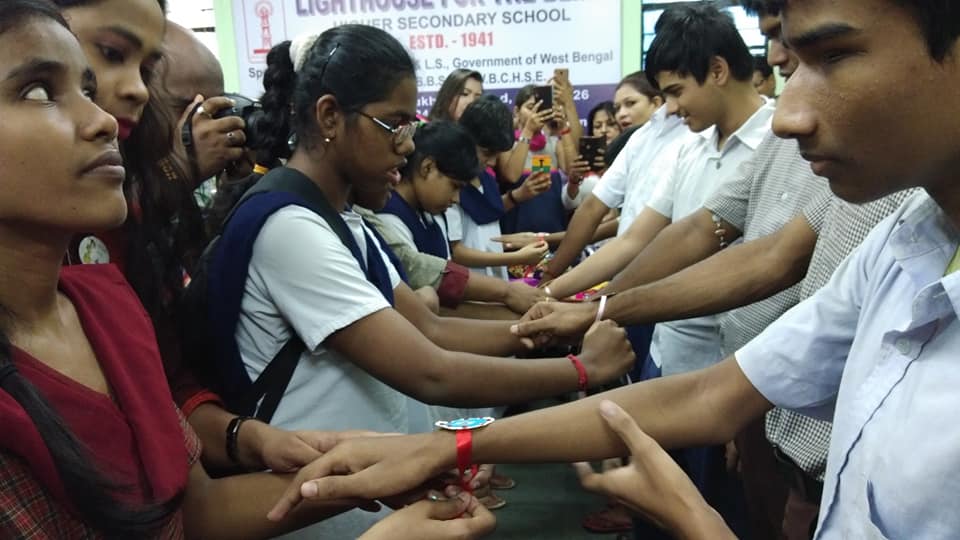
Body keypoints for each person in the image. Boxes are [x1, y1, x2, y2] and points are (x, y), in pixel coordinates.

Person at [270, 0, 960, 538]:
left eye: (834, 56)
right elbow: (708, 392)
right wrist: (451, 448)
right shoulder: (899, 245)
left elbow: (761, 266)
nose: (791, 114)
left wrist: (697, 522)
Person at [0, 2, 499, 539]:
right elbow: (430, 362)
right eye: (38, 91)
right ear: (330, 118)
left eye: (90, 85)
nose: (106, 114)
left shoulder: (107, 303)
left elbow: (196, 511)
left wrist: (364, 473)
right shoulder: (284, 220)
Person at [217, 26, 632, 538]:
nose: (408, 145)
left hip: (363, 493)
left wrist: (538, 328)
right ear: (329, 117)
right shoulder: (291, 228)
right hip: (319, 506)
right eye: (394, 125)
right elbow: (431, 371)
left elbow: (429, 327)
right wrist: (581, 369)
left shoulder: (343, 220)